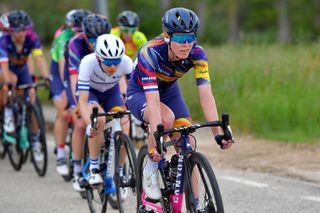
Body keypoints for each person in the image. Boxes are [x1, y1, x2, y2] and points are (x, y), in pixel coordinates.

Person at [126, 7, 233, 200]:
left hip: (169, 91)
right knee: (165, 119)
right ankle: (150, 168)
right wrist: (158, 141)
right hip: (140, 92)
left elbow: (206, 93)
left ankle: (195, 203)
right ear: (167, 36)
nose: (186, 45)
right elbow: (153, 99)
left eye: (190, 38)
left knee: (188, 144)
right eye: (181, 39)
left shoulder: (198, 54)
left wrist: (218, 133)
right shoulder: (150, 52)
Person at [63, 13, 112, 191]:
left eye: (98, 38)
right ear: (84, 35)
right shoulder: (75, 44)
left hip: (100, 83)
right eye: (91, 38)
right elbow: (75, 79)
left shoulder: (109, 42)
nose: (94, 42)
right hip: (77, 79)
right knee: (81, 123)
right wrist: (78, 105)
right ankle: (77, 170)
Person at [78, 34, 133, 186]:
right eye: (108, 63)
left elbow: (136, 91)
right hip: (91, 92)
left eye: (116, 62)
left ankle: (120, 171)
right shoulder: (87, 63)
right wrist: (89, 124)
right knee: (99, 120)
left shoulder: (127, 62)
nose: (113, 67)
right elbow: (82, 101)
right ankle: (94, 169)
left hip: (111, 92)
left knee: (125, 126)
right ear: (98, 58)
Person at [0, 10, 49, 161]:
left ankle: (34, 139)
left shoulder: (32, 38)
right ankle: (8, 111)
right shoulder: (4, 41)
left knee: (31, 96)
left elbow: (39, 58)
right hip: (7, 68)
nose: (21, 33)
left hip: (22, 69)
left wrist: (46, 76)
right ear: (10, 30)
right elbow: (4, 66)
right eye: (17, 30)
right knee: (12, 81)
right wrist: (7, 84)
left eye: (24, 30)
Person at [49, 9, 83, 176]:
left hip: (79, 71)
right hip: (60, 73)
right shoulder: (64, 36)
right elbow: (64, 67)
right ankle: (61, 152)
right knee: (63, 111)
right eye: (76, 29)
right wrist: (67, 91)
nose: (78, 32)